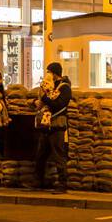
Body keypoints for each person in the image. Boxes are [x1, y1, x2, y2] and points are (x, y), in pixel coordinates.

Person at [34, 61, 72, 192]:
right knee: (41, 155)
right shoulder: (48, 86)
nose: (47, 74)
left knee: (58, 156)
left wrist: (45, 98)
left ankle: (62, 184)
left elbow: (58, 104)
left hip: (57, 125)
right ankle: (39, 181)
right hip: (45, 125)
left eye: (49, 72)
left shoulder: (64, 87)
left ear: (55, 74)